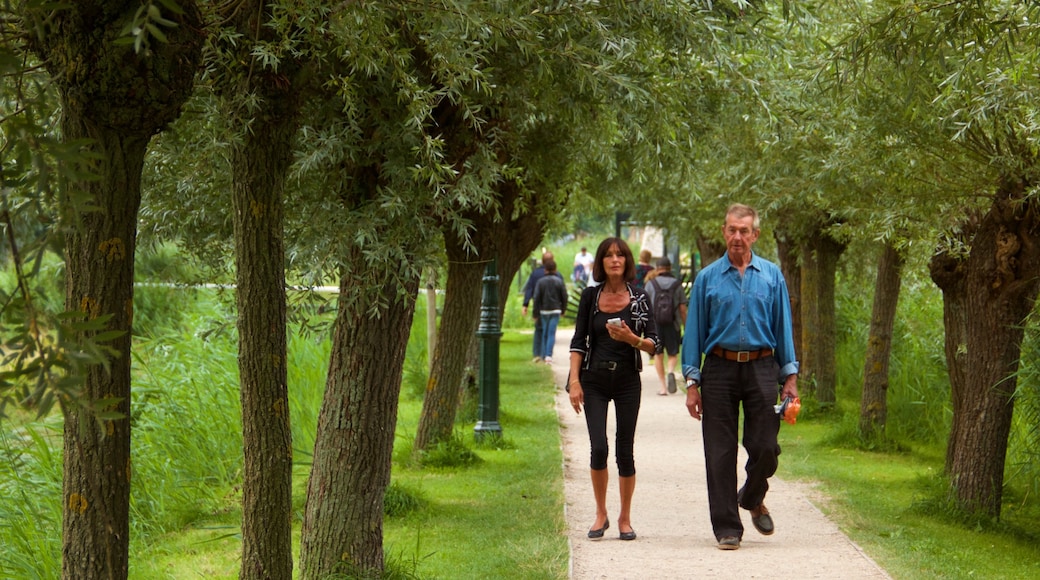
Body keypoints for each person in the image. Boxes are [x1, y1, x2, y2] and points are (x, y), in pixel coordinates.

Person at [681, 203, 799, 551]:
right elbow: (693, 334)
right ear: (724, 231)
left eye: (744, 230)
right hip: (718, 368)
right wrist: (692, 382)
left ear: (755, 235)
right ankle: (727, 528)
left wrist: (789, 377)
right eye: (732, 230)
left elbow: (783, 329)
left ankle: (751, 495)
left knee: (765, 446)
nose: (737, 237)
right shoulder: (707, 279)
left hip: (763, 366)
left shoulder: (772, 275)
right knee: (719, 451)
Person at [568, 237, 659, 542]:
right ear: (601, 262)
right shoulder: (590, 297)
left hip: (626, 380)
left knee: (625, 449)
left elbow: (654, 344)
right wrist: (574, 381)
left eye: (620, 255)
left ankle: (624, 518)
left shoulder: (640, 298)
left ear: (627, 261)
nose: (615, 260)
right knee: (598, 447)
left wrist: (631, 339)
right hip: (594, 379)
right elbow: (579, 342)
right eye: (609, 255)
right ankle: (600, 513)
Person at [645, 256, 686, 396]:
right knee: (673, 353)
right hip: (673, 324)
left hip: (656, 325)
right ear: (670, 268)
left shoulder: (651, 284)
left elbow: (646, 307)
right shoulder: (677, 284)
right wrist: (685, 326)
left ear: (657, 269)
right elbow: (682, 308)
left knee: (658, 354)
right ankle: (670, 372)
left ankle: (663, 387)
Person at [531, 258, 568, 364]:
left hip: (544, 310)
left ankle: (543, 354)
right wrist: (563, 309)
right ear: (555, 270)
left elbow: (537, 297)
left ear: (545, 270)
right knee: (551, 333)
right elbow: (564, 296)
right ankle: (548, 355)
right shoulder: (559, 281)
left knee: (544, 332)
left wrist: (535, 312)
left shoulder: (540, 282)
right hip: (556, 310)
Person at [522, 251, 554, 362]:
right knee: (550, 331)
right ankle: (546, 354)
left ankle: (537, 354)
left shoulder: (535, 274)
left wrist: (525, 304)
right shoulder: (557, 275)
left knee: (539, 330)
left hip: (539, 306)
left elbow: (529, 289)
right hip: (553, 307)